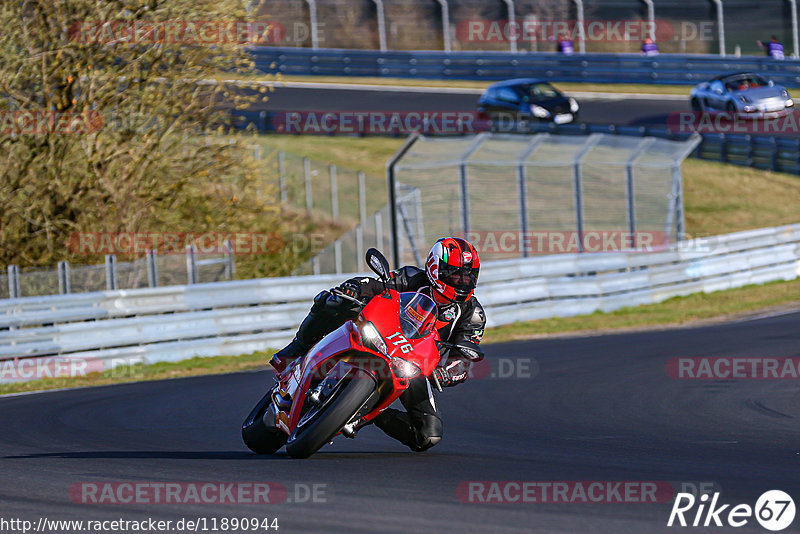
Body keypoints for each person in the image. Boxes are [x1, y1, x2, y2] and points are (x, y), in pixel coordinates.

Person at [269, 237, 486, 452]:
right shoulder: (412, 278)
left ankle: (367, 411)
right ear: (434, 268)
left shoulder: (473, 314)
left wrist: (447, 373)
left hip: (414, 367)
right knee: (332, 301)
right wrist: (353, 288)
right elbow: (375, 284)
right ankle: (296, 348)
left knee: (428, 435)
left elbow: (465, 357)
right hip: (379, 334)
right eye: (455, 274)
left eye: (468, 275)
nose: (462, 281)